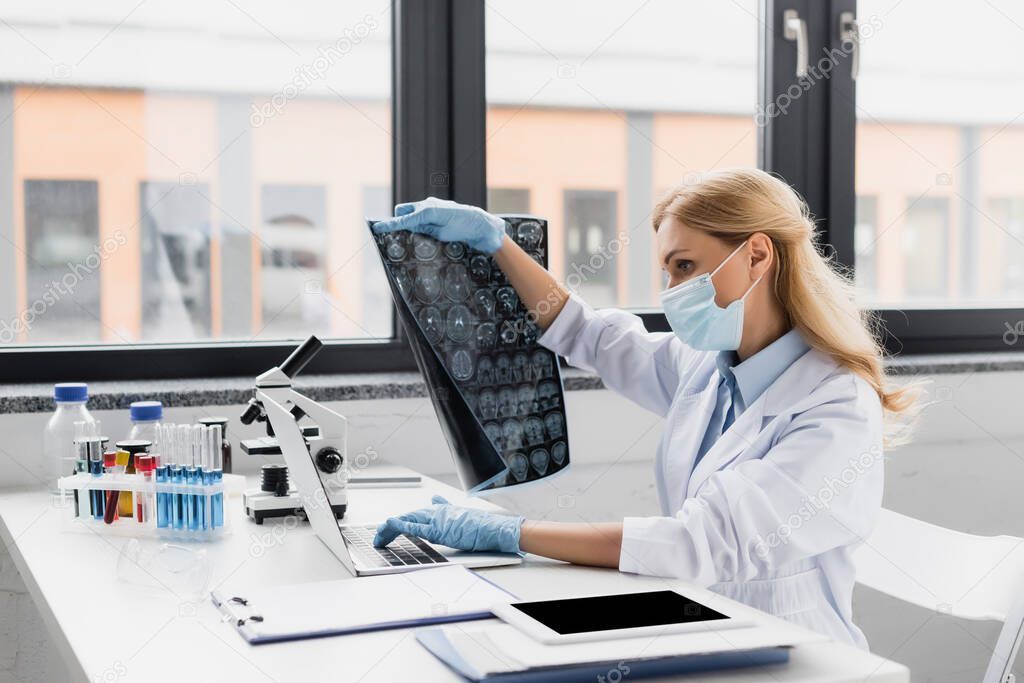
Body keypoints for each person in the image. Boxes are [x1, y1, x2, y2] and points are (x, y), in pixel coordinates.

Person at [370, 168, 917, 648]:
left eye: (684, 266)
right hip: (705, 629)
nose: (671, 290)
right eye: (667, 271)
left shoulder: (836, 409)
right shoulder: (708, 367)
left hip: (799, 654)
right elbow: (588, 333)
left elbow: (693, 544)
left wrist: (509, 533)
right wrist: (498, 243)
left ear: (757, 254)